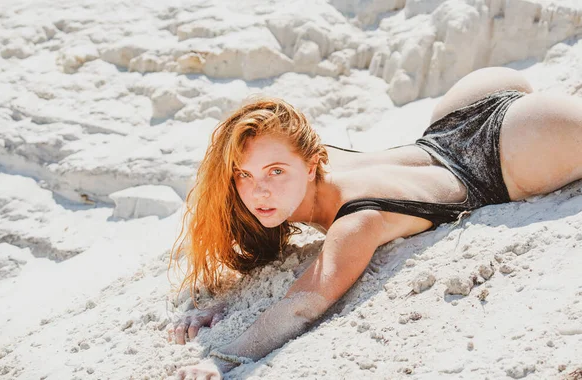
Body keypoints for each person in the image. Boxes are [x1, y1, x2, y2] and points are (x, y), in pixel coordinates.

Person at [168, 67, 582, 379]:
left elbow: (302, 304)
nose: (259, 191)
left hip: (506, 153)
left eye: (276, 172)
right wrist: (218, 303)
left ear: (311, 165)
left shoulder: (356, 221)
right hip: (457, 115)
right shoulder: (298, 167)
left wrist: (222, 359)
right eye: (244, 174)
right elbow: (258, 255)